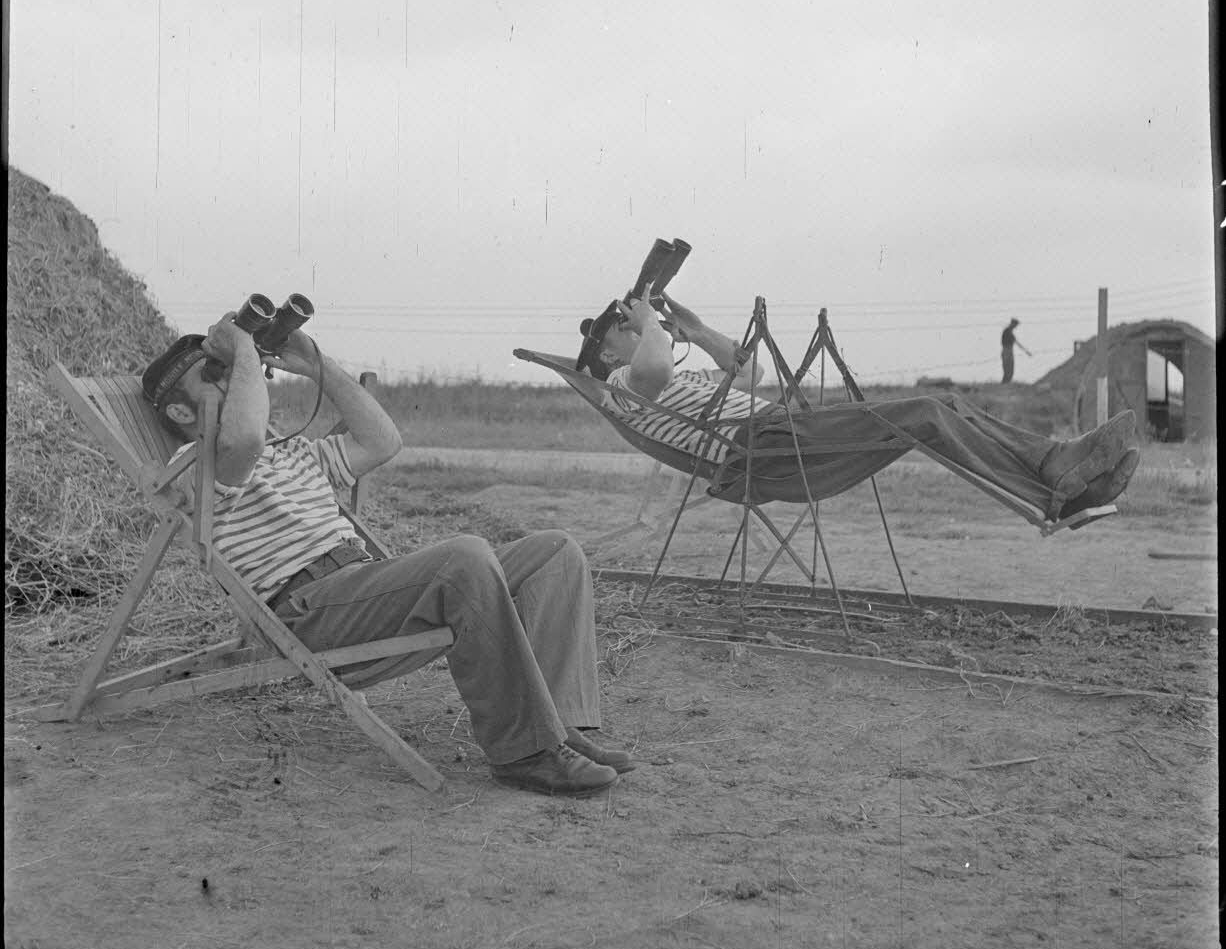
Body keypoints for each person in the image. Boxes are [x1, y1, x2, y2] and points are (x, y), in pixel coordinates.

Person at [142, 312, 634, 797]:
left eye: (230, 372)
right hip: (309, 615)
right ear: (183, 414)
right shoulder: (191, 470)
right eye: (214, 379)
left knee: (555, 552)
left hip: (363, 589)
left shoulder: (286, 453)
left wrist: (316, 363)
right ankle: (524, 753)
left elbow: (383, 442)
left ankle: (561, 728)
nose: (233, 381)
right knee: (463, 558)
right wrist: (245, 349)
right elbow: (244, 436)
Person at [578, 291, 1139, 526]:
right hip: (764, 451)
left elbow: (748, 373)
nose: (638, 329)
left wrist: (696, 332)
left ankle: (1062, 484)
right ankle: (1057, 473)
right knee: (928, 410)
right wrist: (648, 320)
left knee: (936, 408)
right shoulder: (625, 383)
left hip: (779, 437)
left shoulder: (668, 373)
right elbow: (652, 366)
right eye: (623, 329)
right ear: (608, 350)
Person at [1000, 318, 1031, 384]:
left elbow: (1015, 342)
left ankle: (1006, 383)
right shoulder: (1007, 331)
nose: (1016, 327)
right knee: (1008, 368)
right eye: (1015, 325)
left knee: (1009, 368)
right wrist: (1026, 351)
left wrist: (1026, 351)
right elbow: (1015, 342)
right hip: (1007, 350)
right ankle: (1005, 383)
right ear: (1012, 324)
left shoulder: (1009, 331)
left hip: (1008, 350)